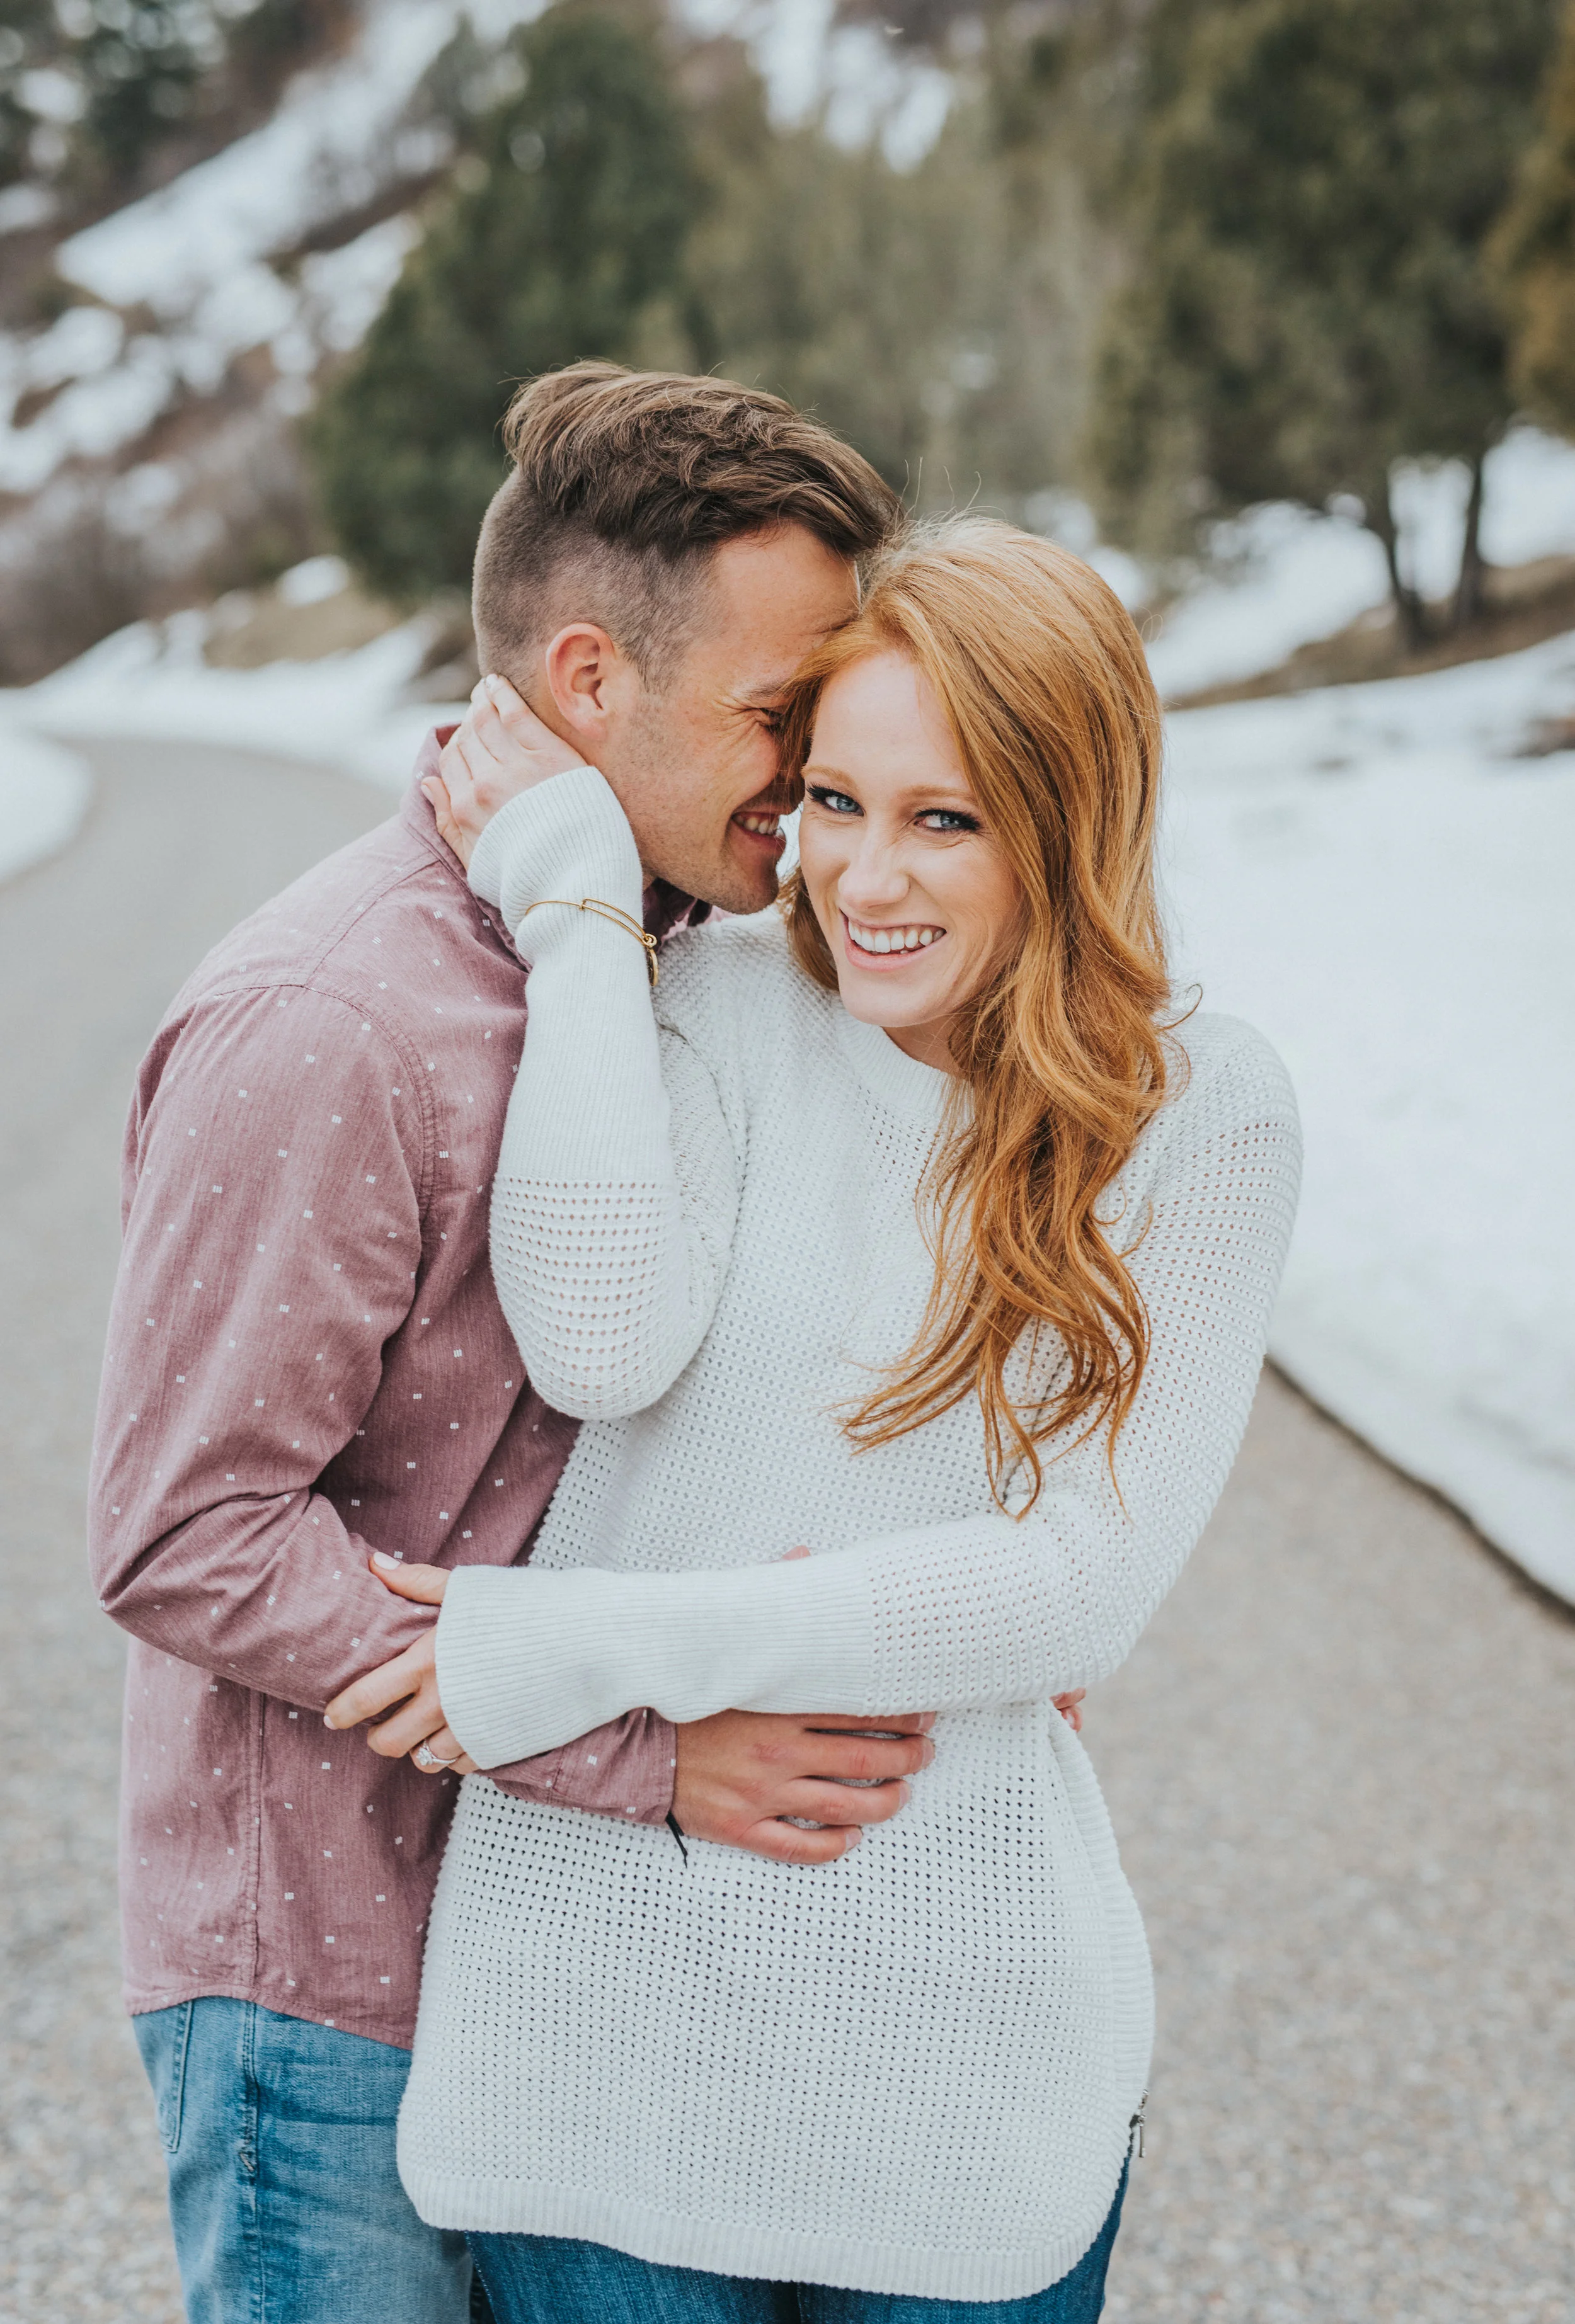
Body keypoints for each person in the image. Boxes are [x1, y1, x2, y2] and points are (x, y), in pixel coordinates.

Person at [327, 518, 1303, 2320]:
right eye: (834, 802)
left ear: (1070, 822)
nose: (863, 878)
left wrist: (584, 1643)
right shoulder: (703, 1000)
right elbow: (600, 1343)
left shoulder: (1196, 1117)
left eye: (944, 819)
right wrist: (574, 911)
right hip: (592, 2036)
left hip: (950, 2057)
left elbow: (1078, 1583)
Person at [86, 363, 950, 2324]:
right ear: (584, 679)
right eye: (772, 715)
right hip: (331, 1990)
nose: (807, 776)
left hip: (571, 1963)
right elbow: (179, 1535)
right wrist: (650, 1753)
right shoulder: (336, 1023)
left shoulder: (681, 961)